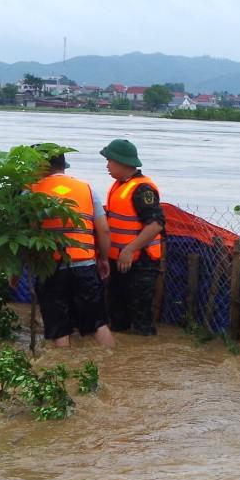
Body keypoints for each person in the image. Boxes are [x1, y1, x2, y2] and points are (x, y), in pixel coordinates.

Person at [29, 145, 115, 348]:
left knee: (59, 328)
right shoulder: (86, 189)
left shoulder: (31, 192)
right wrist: (103, 259)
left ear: (41, 165)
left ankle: (63, 366)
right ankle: (114, 362)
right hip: (84, 265)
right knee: (98, 323)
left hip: (50, 268)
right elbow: (104, 230)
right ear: (62, 164)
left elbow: (26, 235)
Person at [100, 137, 165, 335]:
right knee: (117, 316)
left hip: (140, 262)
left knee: (141, 319)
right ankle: (125, 352)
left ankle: (145, 350)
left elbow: (156, 224)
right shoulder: (119, 185)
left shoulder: (142, 189)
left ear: (122, 162)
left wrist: (130, 249)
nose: (107, 165)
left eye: (109, 161)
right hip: (119, 261)